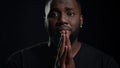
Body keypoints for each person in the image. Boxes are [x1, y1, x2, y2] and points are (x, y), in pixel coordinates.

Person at [6, 0, 119, 68]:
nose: (62, 20)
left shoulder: (105, 64)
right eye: (54, 14)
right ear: (45, 21)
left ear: (81, 21)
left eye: (70, 13)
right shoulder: (19, 62)